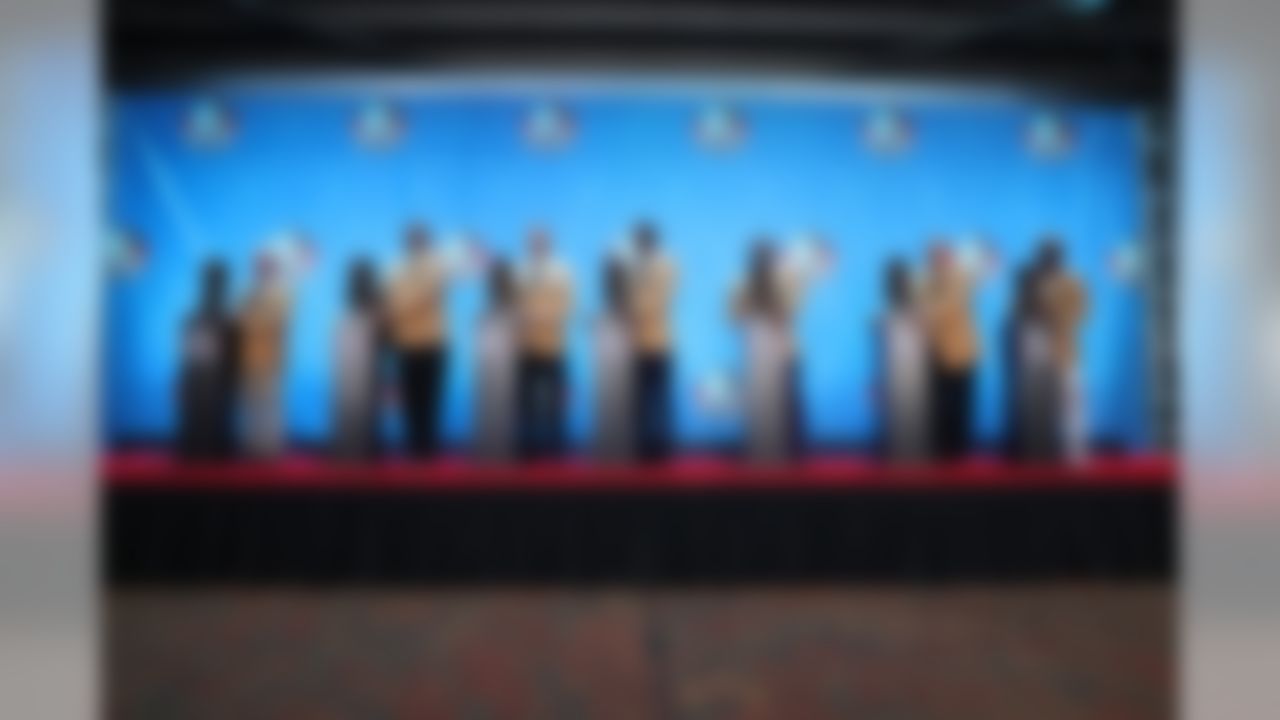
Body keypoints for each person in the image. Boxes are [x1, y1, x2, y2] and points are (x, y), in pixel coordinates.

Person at [731, 237, 828, 462]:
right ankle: (756, 449)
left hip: (786, 352)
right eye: (757, 256)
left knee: (791, 406)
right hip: (756, 356)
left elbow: (794, 308)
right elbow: (733, 315)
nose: (761, 260)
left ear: (774, 258)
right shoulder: (739, 282)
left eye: (766, 255)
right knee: (756, 405)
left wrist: (774, 300)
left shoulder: (789, 281)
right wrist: (748, 314)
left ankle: (795, 453)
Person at [384, 223, 450, 458]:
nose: (414, 242)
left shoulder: (437, 264)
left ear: (427, 240)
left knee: (430, 402)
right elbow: (388, 299)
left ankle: (429, 452)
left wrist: (396, 310)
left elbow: (426, 295)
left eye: (419, 238)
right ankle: (412, 450)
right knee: (409, 403)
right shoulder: (395, 267)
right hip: (405, 344)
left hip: (432, 343)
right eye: (410, 238)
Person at [921, 240, 985, 460]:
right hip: (935, 356)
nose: (936, 262)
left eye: (941, 257)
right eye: (932, 258)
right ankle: (941, 451)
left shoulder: (960, 279)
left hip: (961, 354)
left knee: (960, 408)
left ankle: (959, 454)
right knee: (937, 409)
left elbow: (948, 307)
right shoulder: (925, 281)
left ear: (950, 258)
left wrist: (924, 314)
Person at [515, 227, 575, 458]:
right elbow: (512, 304)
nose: (537, 245)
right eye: (533, 241)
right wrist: (522, 317)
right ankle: (527, 445)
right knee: (525, 400)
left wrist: (540, 316)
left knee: (553, 401)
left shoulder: (563, 271)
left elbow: (567, 305)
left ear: (550, 244)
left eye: (541, 241)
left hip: (553, 344)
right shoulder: (518, 271)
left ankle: (555, 445)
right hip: (525, 345)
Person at [624, 221, 677, 461]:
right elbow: (622, 297)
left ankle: (662, 448)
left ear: (652, 240)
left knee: (660, 399)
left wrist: (630, 310)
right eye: (635, 239)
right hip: (632, 344)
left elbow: (660, 300)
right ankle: (638, 446)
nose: (636, 244)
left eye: (641, 239)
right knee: (637, 400)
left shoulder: (667, 264)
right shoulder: (629, 267)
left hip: (659, 342)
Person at [1034, 237, 1090, 462]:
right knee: (1043, 406)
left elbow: (1083, 310)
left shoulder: (1073, 280)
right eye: (1046, 255)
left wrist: (1059, 321)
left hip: (1066, 350)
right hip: (1037, 354)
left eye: (1053, 255)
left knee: (1072, 405)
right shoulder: (1034, 281)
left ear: (1060, 257)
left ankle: (1075, 452)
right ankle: (1045, 451)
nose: (1049, 260)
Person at [177, 259, 237, 460]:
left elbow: (232, 361)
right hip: (197, 379)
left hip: (218, 383)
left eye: (219, 281)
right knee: (196, 418)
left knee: (216, 418)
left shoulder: (230, 322)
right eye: (211, 280)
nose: (215, 286)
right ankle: (198, 447)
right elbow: (186, 359)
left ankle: (211, 447)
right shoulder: (192, 319)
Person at [239, 252, 291, 459]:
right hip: (247, 356)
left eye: (266, 267)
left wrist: (254, 317)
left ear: (274, 269)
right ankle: (251, 447)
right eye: (258, 267)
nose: (261, 270)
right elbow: (240, 320)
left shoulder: (283, 293)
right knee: (251, 406)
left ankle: (269, 449)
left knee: (270, 407)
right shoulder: (246, 292)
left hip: (271, 357)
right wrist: (252, 317)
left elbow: (275, 322)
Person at [877, 258, 930, 462]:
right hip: (896, 376)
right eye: (894, 282)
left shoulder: (917, 316)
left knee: (913, 414)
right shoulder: (885, 319)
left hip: (914, 376)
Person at [333, 259, 384, 460]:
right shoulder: (349, 307)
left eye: (360, 276)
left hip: (368, 359)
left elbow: (384, 332)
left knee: (365, 403)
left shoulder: (377, 301)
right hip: (349, 355)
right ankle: (348, 445)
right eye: (354, 276)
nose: (356, 281)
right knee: (347, 399)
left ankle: (364, 447)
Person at [1005, 265, 1058, 461]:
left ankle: (1042, 452)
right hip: (1025, 375)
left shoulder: (1045, 312)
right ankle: (1029, 452)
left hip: (1043, 371)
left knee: (1044, 411)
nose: (1033, 288)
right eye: (1029, 284)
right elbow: (1010, 347)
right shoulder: (1015, 313)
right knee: (1027, 413)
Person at [474, 260, 519, 462]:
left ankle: (506, 450)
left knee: (506, 404)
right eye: (493, 280)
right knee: (487, 401)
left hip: (508, 370)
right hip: (488, 367)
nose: (495, 284)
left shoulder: (514, 315)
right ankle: (486, 448)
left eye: (500, 279)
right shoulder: (485, 316)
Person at [594, 258, 633, 461]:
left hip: (621, 357)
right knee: (607, 398)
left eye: (614, 278)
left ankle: (621, 448)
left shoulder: (627, 314)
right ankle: (607, 446)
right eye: (607, 279)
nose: (609, 283)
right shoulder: (604, 314)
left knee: (621, 399)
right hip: (606, 356)